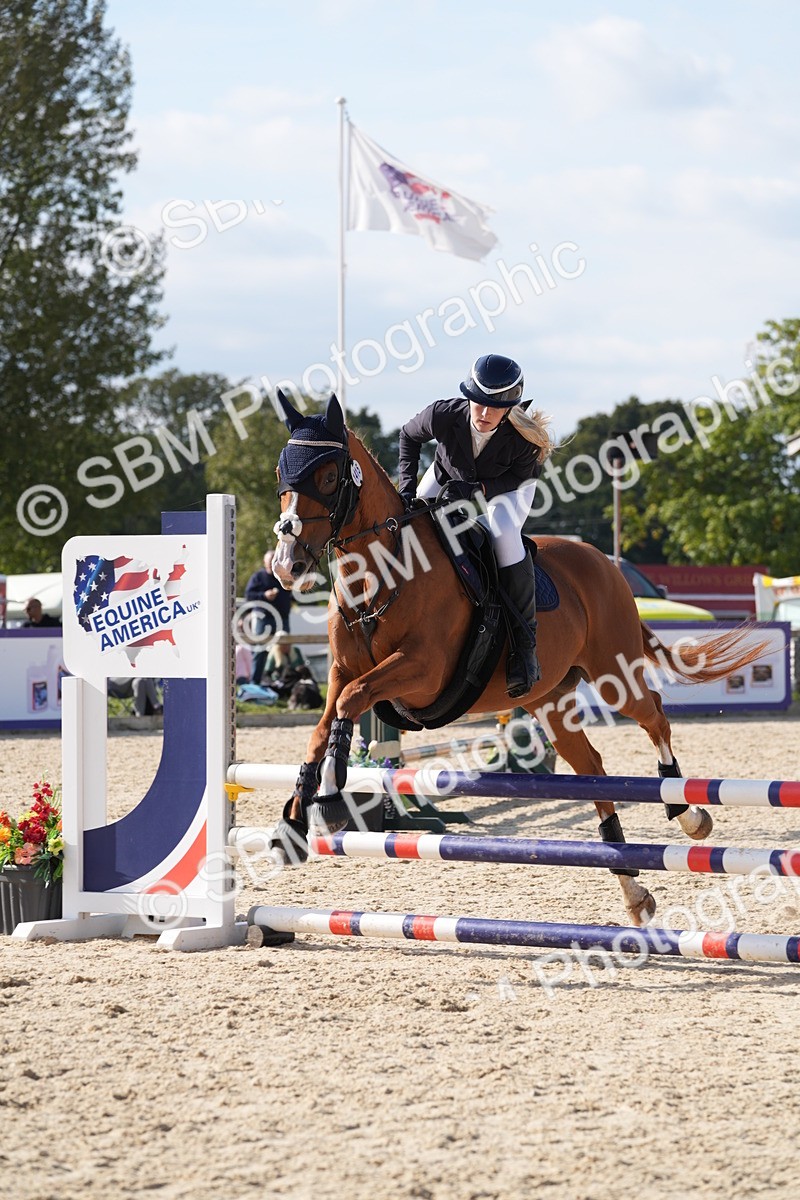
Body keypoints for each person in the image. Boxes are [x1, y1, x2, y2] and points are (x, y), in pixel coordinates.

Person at [398, 353, 554, 697]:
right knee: (410, 524)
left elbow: (518, 479)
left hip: (507, 489)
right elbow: (408, 436)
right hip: (447, 475)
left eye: (493, 407)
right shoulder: (442, 414)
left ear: (509, 408)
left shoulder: (522, 439)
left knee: (503, 535)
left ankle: (524, 648)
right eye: (478, 403)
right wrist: (406, 489)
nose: (483, 413)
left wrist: (480, 490)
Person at [244, 551, 292, 685]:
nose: (271, 563)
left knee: (285, 650)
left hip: (282, 618)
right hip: (263, 619)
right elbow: (249, 595)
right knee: (260, 650)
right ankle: (255, 683)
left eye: (273, 560)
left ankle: (285, 682)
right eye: (269, 561)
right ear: (264, 562)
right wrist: (264, 595)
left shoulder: (284, 576)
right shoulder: (258, 577)